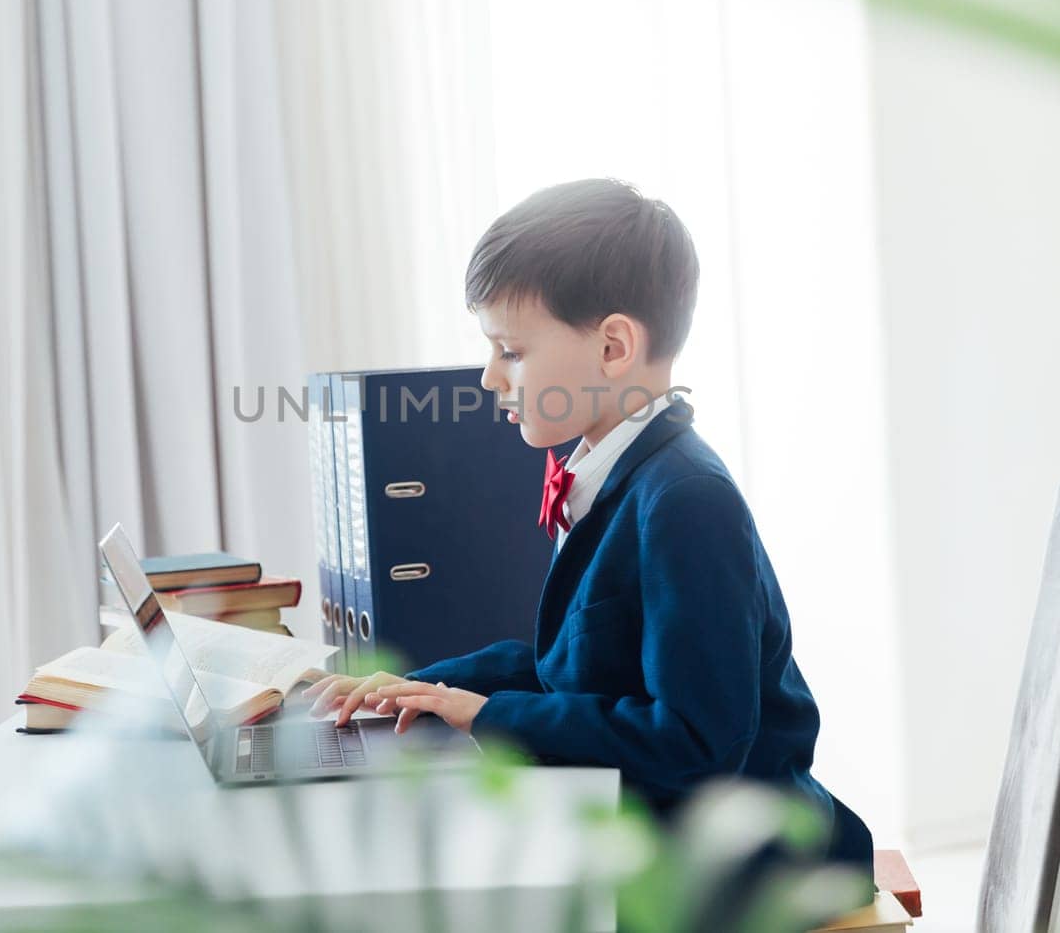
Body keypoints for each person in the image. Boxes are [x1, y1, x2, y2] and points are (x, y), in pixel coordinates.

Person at [301, 177, 872, 867]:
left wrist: (485, 713)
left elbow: (696, 743)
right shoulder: (612, 471)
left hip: (740, 862)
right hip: (652, 824)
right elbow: (571, 671)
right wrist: (424, 686)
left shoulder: (687, 500)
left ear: (612, 347)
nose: (488, 378)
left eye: (510, 350)